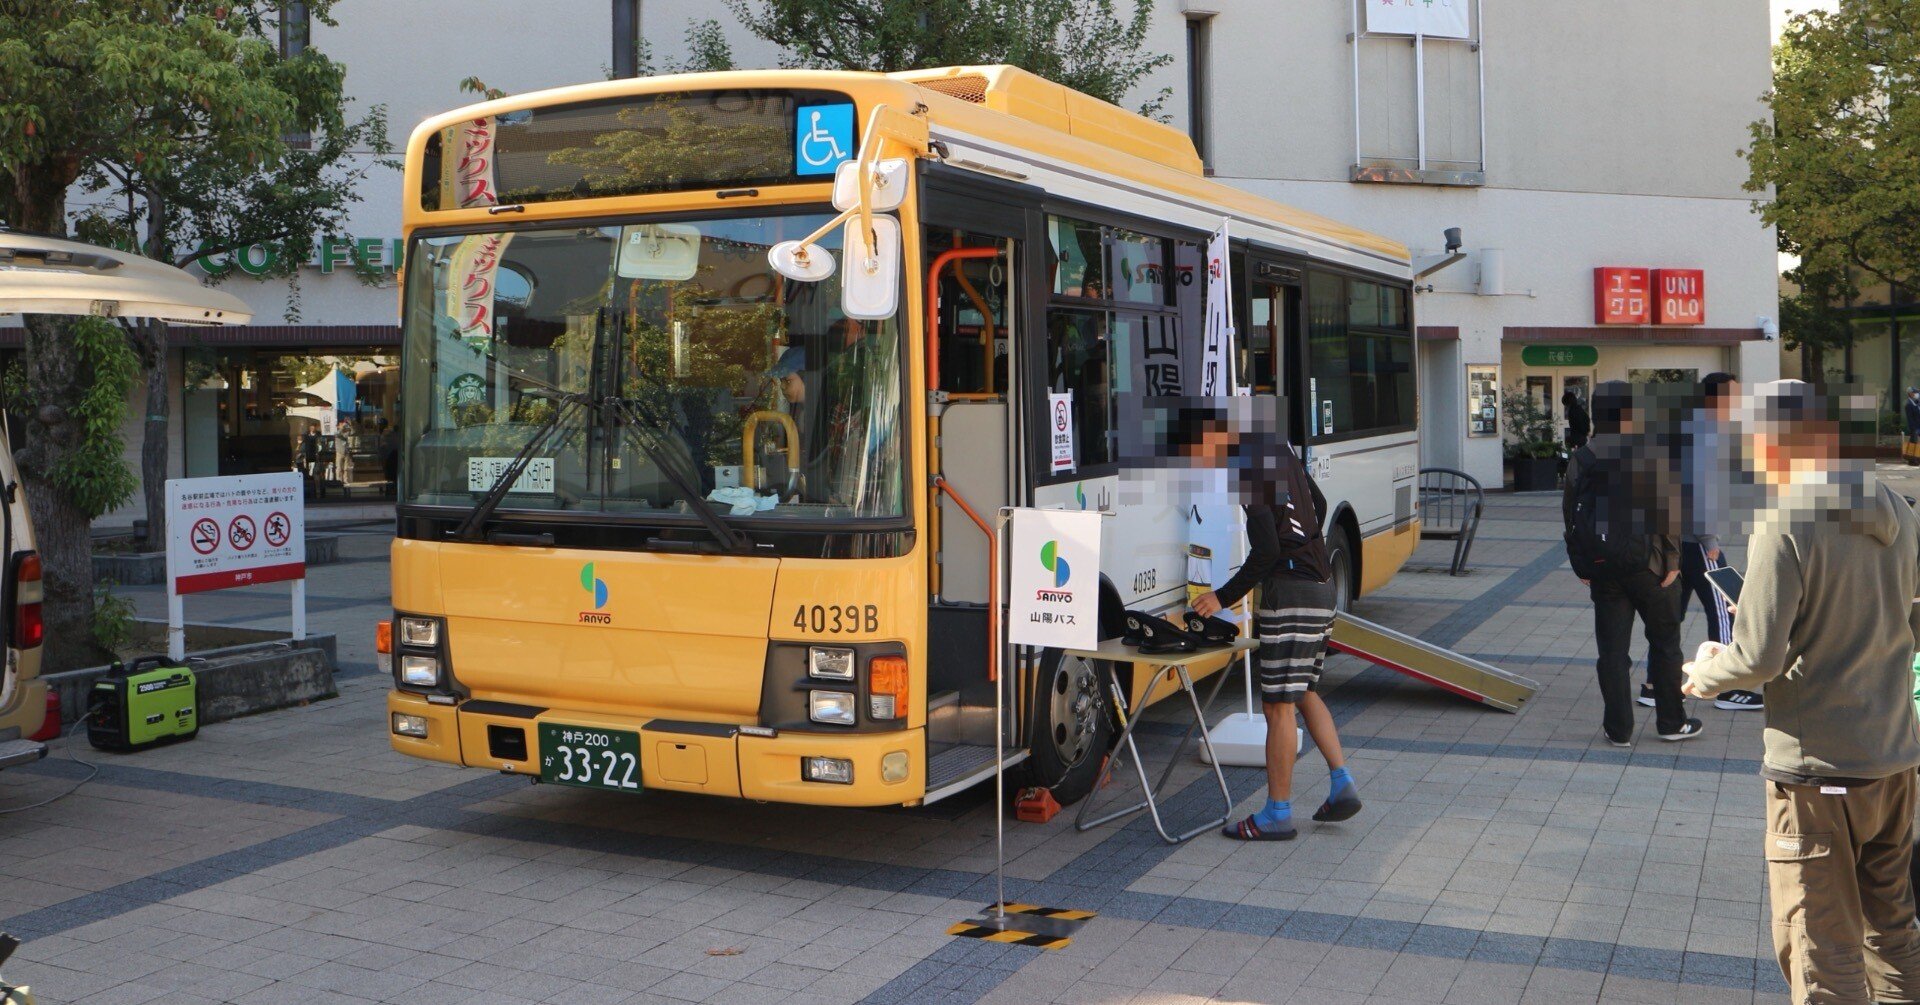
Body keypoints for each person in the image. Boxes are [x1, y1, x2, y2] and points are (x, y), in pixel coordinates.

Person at [1684, 379, 1920, 1003]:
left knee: (1820, 941)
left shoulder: (1787, 520)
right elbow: (1911, 624)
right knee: (1891, 931)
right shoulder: (1898, 509)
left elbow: (1757, 656)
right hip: (1894, 758)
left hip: (1818, 770)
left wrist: (1705, 671)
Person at [1184, 416, 1360, 841]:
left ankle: (1277, 814)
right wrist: (1303, 546)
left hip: (1292, 592)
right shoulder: (1279, 451)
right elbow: (1316, 505)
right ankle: (1342, 785)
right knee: (1303, 691)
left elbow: (1265, 552)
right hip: (1322, 586)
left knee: (1278, 705)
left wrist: (1221, 597)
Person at [1564, 380, 1702, 746]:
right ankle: (1672, 723)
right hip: (1652, 566)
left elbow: (1571, 514)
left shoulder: (1584, 456)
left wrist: (1582, 564)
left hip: (1604, 568)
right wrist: (1673, 559)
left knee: (1612, 651)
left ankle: (1618, 729)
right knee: (1666, 643)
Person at [1654, 372, 1761, 712]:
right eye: (1734, 395)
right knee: (1726, 611)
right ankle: (1728, 689)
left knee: (1672, 616)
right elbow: (1698, 490)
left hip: (1677, 539)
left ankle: (1654, 684)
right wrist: (1709, 538)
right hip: (1698, 541)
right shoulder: (1706, 431)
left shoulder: (1691, 425)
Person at [1904, 387, 1920, 466]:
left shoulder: (1915, 402)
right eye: (1915, 392)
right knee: (1913, 444)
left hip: (1918, 426)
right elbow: (1910, 419)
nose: (1917, 394)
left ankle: (1916, 459)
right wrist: (1913, 429)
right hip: (1915, 428)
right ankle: (1912, 461)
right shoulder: (1909, 404)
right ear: (1910, 393)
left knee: (1914, 444)